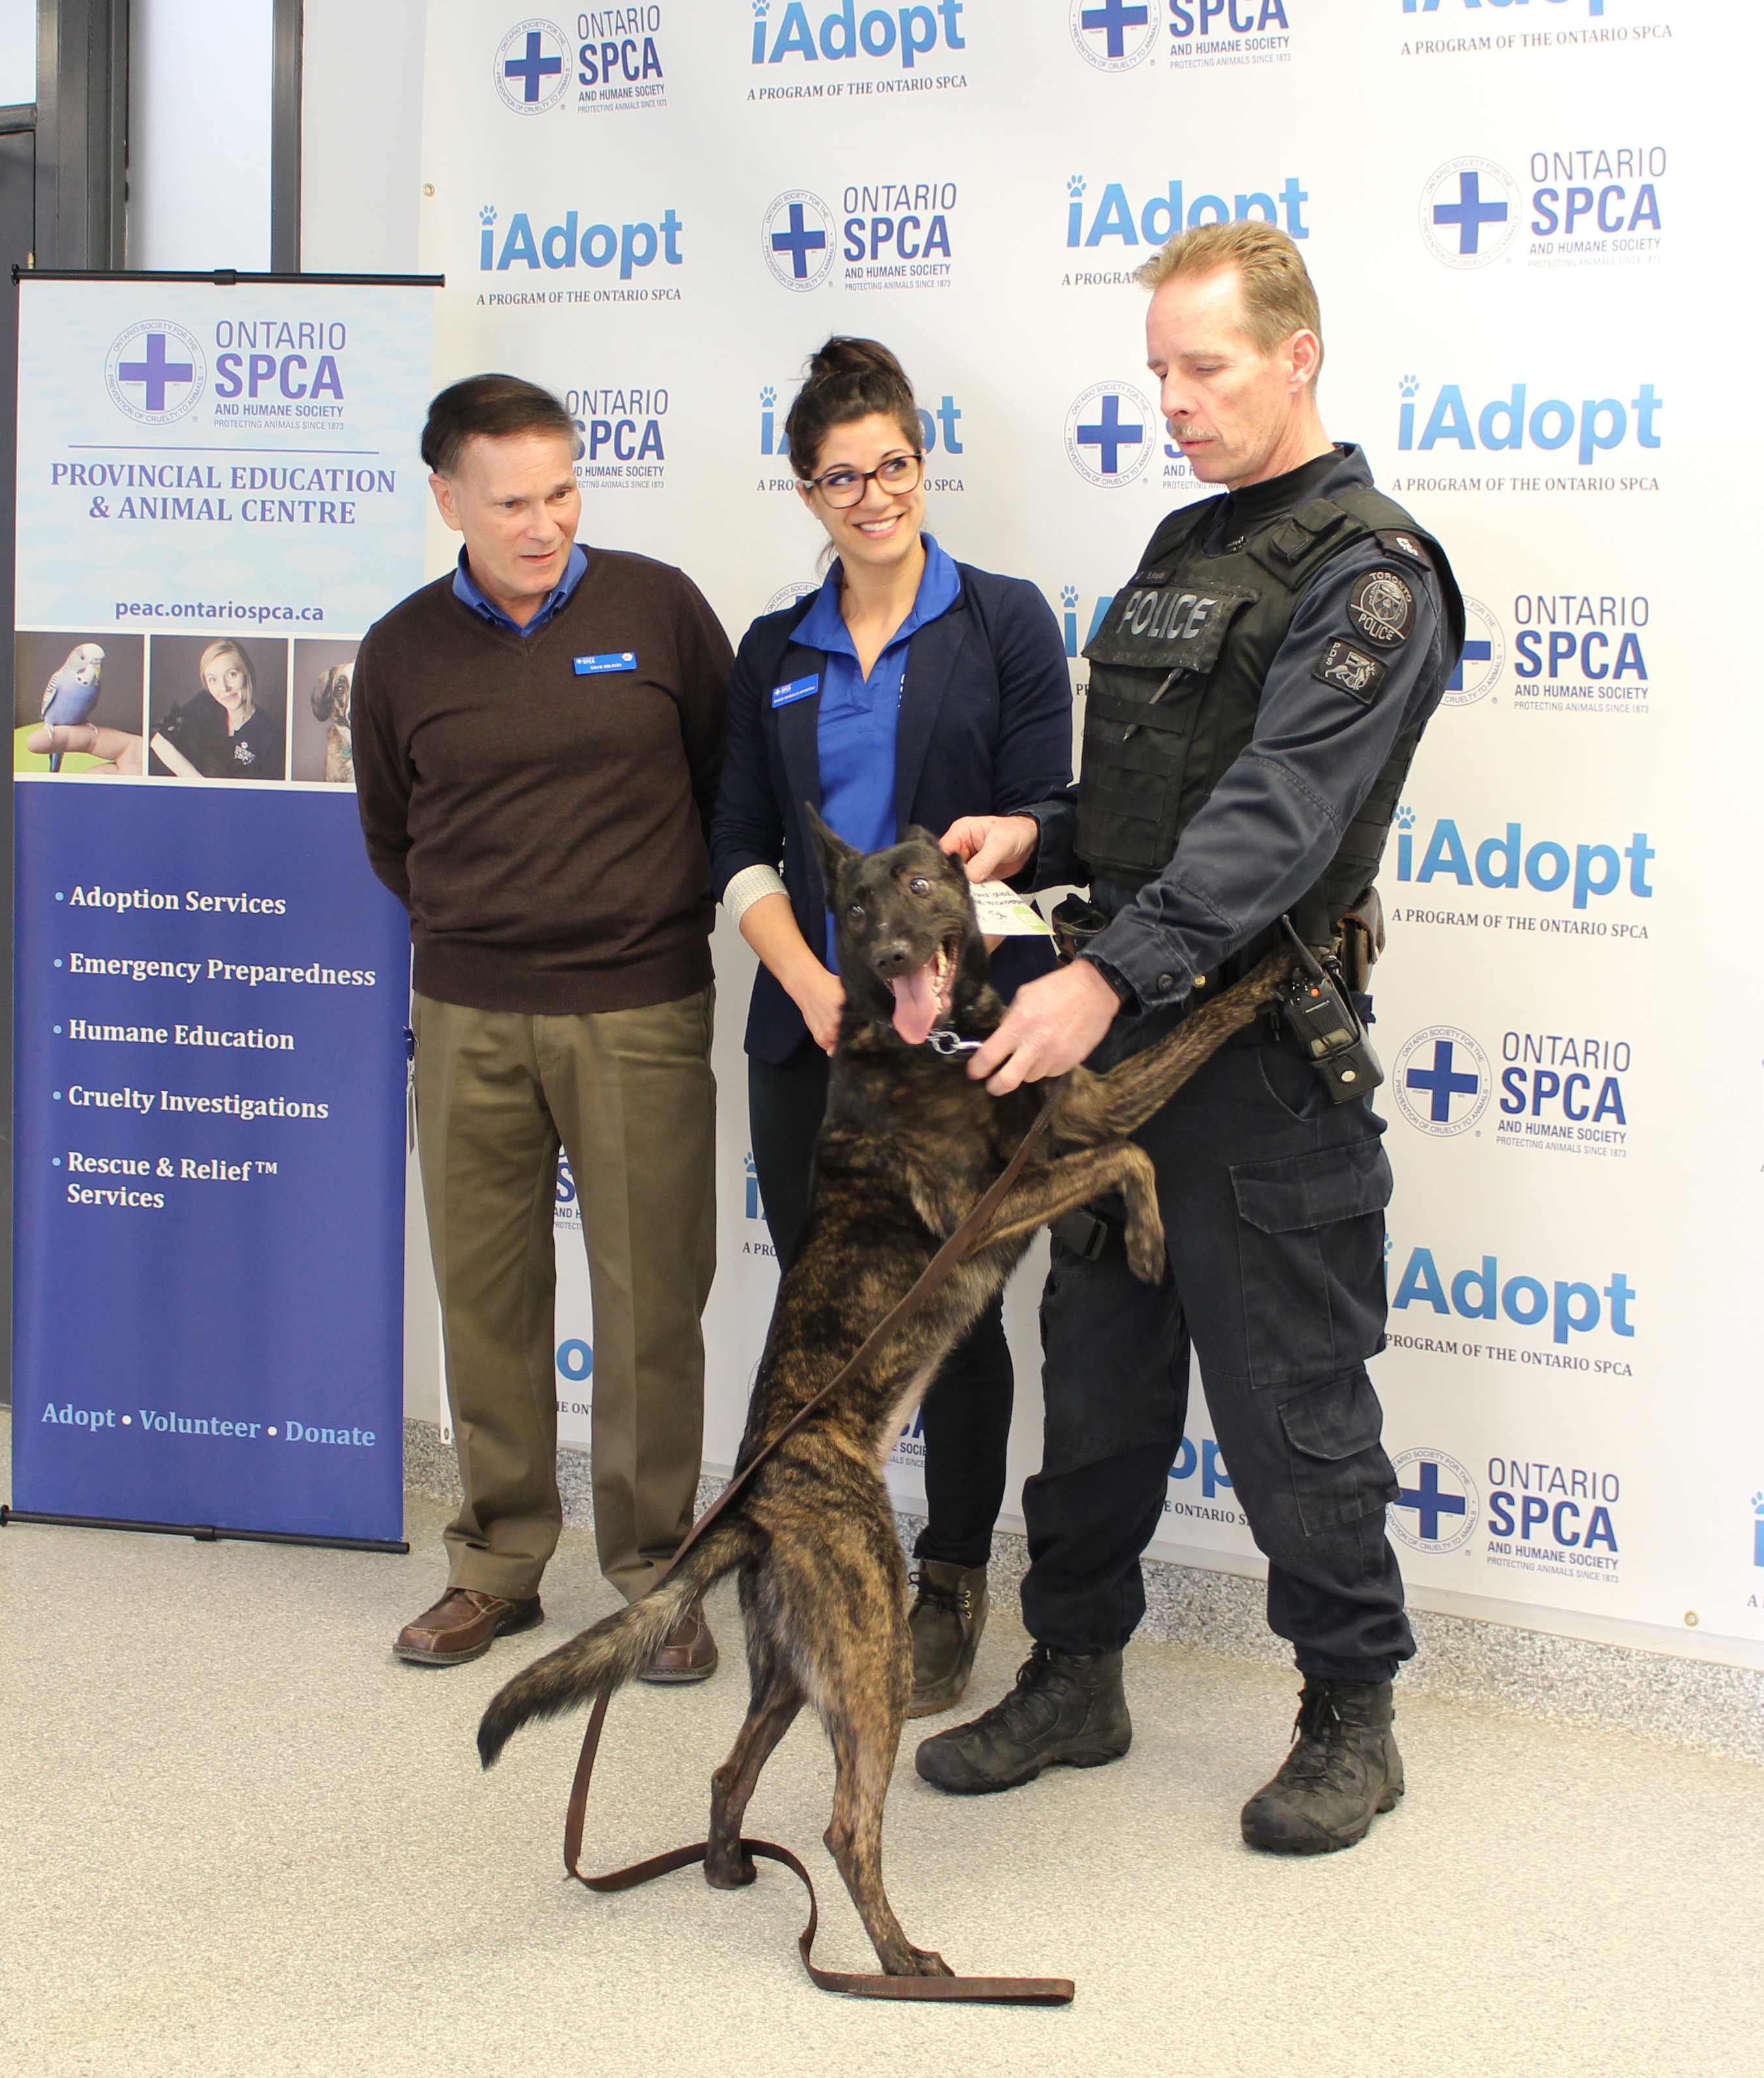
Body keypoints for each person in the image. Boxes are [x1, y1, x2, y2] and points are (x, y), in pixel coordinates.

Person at [915, 221, 1464, 1853]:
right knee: (1094, 1388)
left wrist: (1104, 975)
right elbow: (1154, 803)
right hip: (1124, 1064)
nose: (1174, 400)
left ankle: (1352, 1715)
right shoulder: (1180, 545)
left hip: (1257, 1063)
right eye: (1158, 370)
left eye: (1205, 367)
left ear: (1299, 355)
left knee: (1295, 1410)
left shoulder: (1373, 575)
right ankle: (1076, 1675)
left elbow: (1278, 817)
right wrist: (1045, 834)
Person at [351, 374, 732, 1678]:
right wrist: (487, 928)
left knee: (650, 1300)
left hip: (638, 1007)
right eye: (511, 501)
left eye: (562, 492)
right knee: (488, 1299)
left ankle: (654, 1573)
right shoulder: (401, 649)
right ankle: (497, 1566)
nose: (544, 524)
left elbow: (724, 786)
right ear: (448, 498)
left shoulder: (659, 609)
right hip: (467, 1012)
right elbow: (393, 833)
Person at [711, 338, 1070, 1717]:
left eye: (896, 466)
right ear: (807, 492)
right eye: (843, 477)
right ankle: (815, 1567)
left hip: (958, 1042)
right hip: (813, 1031)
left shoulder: (1002, 620)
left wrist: (1010, 844)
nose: (876, 497)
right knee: (827, 1320)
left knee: (951, 1319)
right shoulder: (774, 651)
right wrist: (809, 979)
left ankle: (953, 1578)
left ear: (925, 461)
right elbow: (736, 844)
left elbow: (1055, 812)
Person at [152, 640, 285, 780]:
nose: (224, 688)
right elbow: (159, 742)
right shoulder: (205, 703)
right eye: (213, 680)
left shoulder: (269, 734)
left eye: (231, 674)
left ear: (247, 673)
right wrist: (203, 785)